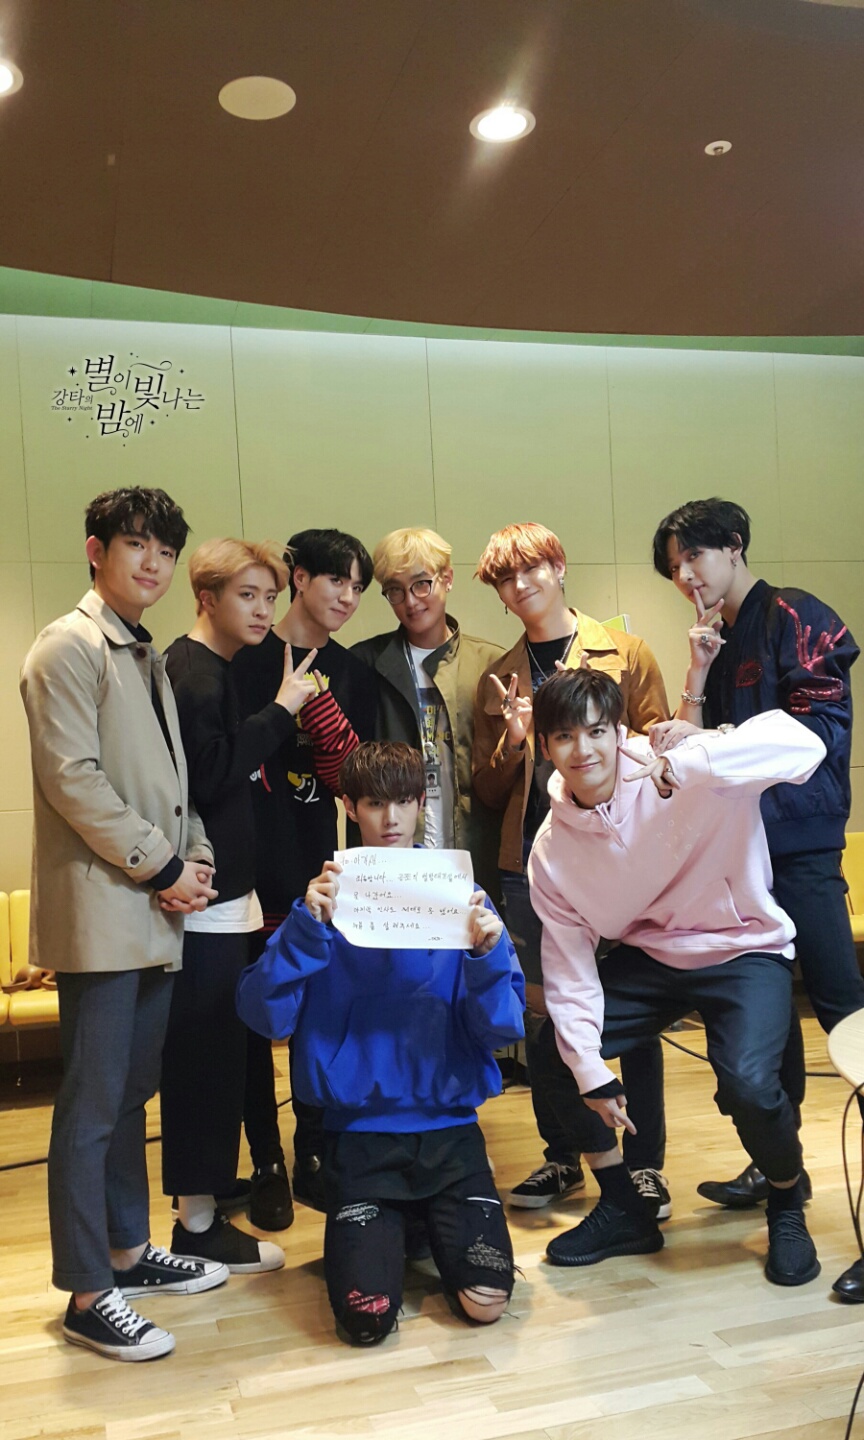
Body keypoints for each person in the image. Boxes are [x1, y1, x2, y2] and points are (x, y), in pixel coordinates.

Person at [528, 667, 826, 1285]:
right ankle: (623, 1207)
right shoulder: (553, 851)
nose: (583, 750)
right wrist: (590, 1069)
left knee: (749, 1085)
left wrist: (699, 758)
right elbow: (569, 968)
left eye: (597, 731)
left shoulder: (682, 763)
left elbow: (805, 746)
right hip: (656, 954)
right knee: (556, 1052)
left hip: (744, 946)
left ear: (619, 732)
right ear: (546, 747)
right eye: (564, 736)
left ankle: (785, 1196)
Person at [19, 488, 228, 1363]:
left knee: (131, 1091)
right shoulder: (67, 646)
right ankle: (85, 1292)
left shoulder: (141, 650)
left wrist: (197, 855)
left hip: (149, 906)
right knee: (92, 1105)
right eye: (136, 544)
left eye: (165, 550)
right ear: (95, 550)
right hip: (106, 910)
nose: (152, 562)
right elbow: (74, 781)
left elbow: (171, 783)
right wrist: (165, 865)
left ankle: (127, 1252)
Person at [236, 741, 524, 1345]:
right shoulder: (322, 903)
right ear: (349, 806)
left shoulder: (460, 897)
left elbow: (502, 1027)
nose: (390, 818)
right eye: (373, 803)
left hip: (449, 1132)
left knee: (487, 1303)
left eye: (402, 801)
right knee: (367, 1319)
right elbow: (262, 1016)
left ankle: (420, 1221)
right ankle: (401, 1226)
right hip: (359, 1137)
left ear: (421, 803)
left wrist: (487, 958)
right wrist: (303, 932)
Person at [651, 496, 864, 1301]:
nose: (685, 576)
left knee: (845, 1018)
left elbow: (815, 738)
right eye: (674, 567)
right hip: (739, 859)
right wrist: (697, 680)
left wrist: (711, 744)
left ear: (734, 547)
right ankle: (779, 1169)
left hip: (801, 849)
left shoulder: (798, 617)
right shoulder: (719, 638)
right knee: (764, 1025)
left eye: (693, 557)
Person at [472, 522, 671, 1215]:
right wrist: (514, 739)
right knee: (547, 1015)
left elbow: (659, 750)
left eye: (531, 569)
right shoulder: (499, 674)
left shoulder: (626, 652)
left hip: (622, 860)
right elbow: (487, 790)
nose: (519, 585)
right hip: (532, 864)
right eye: (505, 578)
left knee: (635, 1013)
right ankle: (565, 1155)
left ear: (558, 567)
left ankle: (644, 1165)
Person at [162, 538, 308, 1271]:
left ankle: (208, 1199)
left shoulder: (210, 668)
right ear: (207, 596)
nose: (263, 610)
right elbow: (215, 773)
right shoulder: (192, 672)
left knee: (224, 1053)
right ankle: (196, 1224)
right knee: (204, 1057)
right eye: (247, 595)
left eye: (270, 597)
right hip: (206, 900)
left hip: (229, 897)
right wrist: (281, 711)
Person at [231, 528, 377, 1221]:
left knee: (318, 1015)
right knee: (251, 1019)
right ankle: (264, 1160)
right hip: (243, 867)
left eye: (358, 587)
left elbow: (354, 780)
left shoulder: (350, 671)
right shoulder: (244, 657)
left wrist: (318, 710)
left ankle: (312, 1152)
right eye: (335, 580)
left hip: (317, 867)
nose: (347, 597)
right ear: (299, 578)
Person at [351, 527, 504, 896]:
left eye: (422, 584)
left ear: (447, 578)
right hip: (391, 857)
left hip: (472, 848)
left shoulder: (490, 664)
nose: (410, 601)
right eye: (395, 590)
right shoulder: (364, 664)